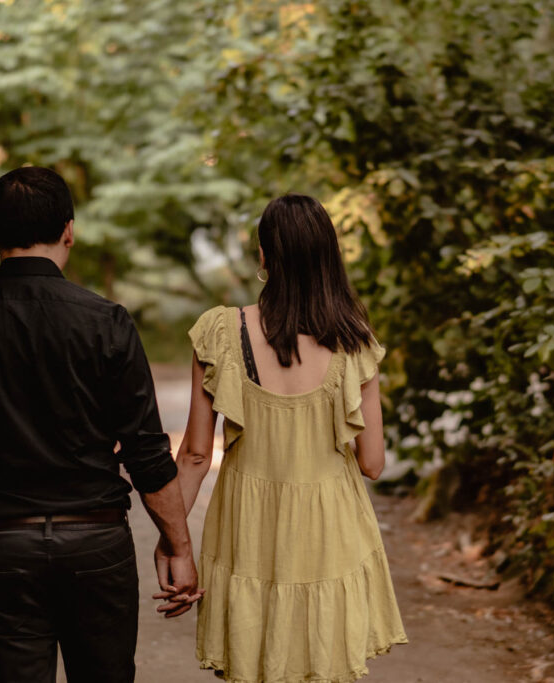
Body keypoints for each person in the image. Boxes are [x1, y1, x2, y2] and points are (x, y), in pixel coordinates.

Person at [0, 166, 202, 683]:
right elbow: (146, 453)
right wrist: (178, 546)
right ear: (70, 231)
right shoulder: (107, 322)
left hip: (0, 549)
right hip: (96, 545)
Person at [162, 193, 407, 681]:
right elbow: (373, 463)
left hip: (249, 527)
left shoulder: (221, 331)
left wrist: (173, 542)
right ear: (328, 257)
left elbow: (194, 456)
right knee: (321, 661)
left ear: (264, 254)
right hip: (329, 527)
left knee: (253, 660)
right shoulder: (355, 340)